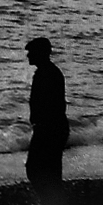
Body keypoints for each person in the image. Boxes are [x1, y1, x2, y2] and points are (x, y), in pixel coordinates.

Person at [25, 37, 70, 186]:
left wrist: (42, 125)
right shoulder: (48, 72)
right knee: (45, 171)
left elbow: (54, 105)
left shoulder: (47, 73)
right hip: (51, 127)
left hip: (49, 128)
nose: (28, 55)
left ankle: (52, 204)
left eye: (31, 52)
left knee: (38, 170)